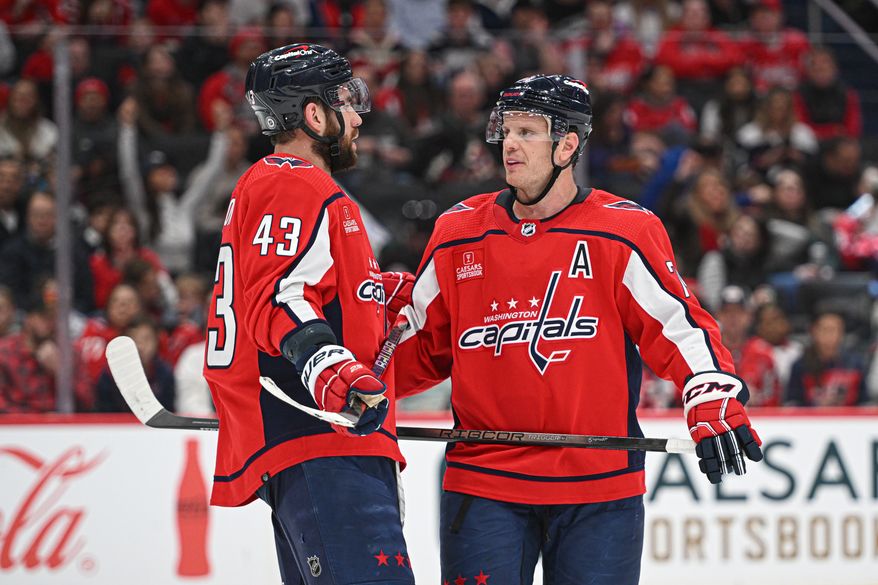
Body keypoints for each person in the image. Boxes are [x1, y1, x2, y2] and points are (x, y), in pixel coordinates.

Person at [392, 74, 763, 584]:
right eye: (507, 130)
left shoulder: (623, 230)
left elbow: (678, 325)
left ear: (567, 144)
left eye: (527, 132)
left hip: (599, 487)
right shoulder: (459, 232)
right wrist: (348, 379)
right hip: (484, 484)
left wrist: (710, 392)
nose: (510, 144)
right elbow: (417, 343)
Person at [201, 43, 414, 584]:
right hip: (323, 440)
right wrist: (335, 373)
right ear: (315, 115)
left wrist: (380, 292)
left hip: (314, 446)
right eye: (348, 100)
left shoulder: (287, 186)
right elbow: (280, 297)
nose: (359, 114)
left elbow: (306, 289)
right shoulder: (292, 180)